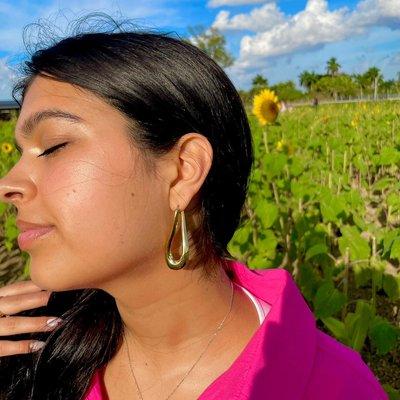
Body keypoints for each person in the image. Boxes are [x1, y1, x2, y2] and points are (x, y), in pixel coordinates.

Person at [0, 14, 388, 400]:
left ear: (183, 171)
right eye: (20, 153)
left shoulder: (334, 388)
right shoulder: (38, 349)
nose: (8, 184)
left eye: (52, 146)